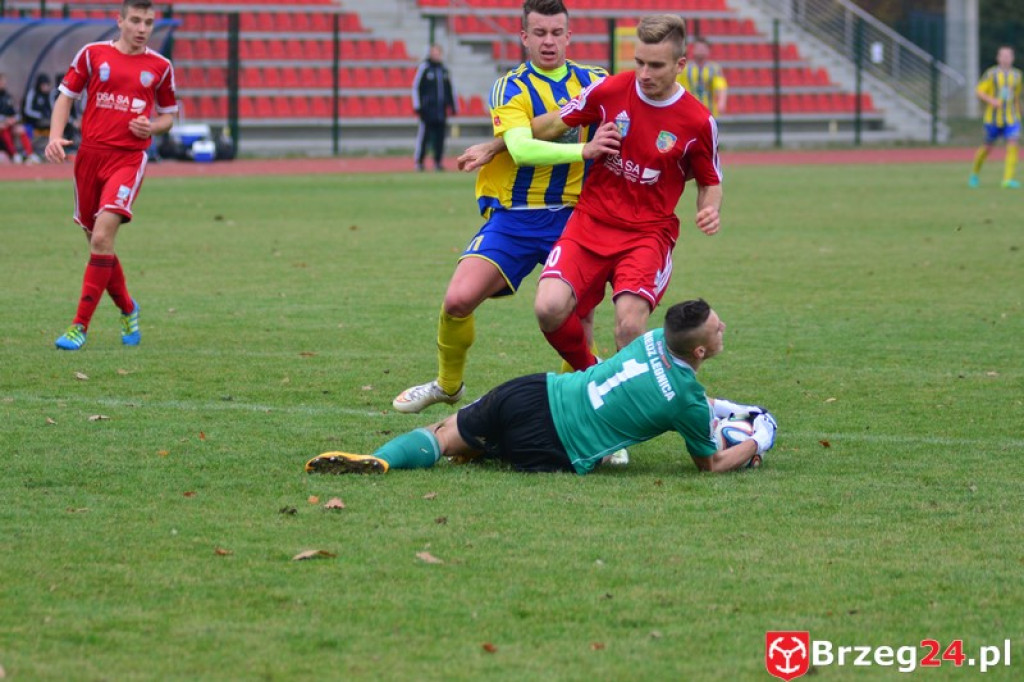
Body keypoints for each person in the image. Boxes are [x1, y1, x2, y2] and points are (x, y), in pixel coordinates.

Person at [392, 0, 616, 414]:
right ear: (524, 38)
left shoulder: (597, 82)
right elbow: (523, 148)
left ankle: (584, 414)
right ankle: (447, 384)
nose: (548, 42)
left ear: (569, 36)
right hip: (515, 216)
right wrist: (583, 149)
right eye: (539, 33)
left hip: (575, 216)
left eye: (556, 33)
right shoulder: (509, 86)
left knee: (578, 316)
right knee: (457, 300)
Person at [307, 299, 777, 476]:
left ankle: (385, 458)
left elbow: (677, 391)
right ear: (698, 353)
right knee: (491, 449)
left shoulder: (653, 338)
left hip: (536, 391)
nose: (723, 329)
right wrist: (759, 436)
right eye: (717, 329)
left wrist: (729, 405)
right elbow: (711, 462)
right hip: (555, 444)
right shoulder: (686, 401)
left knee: (443, 431)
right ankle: (480, 448)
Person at [46, 0, 178, 350]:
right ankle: (128, 308)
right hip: (89, 158)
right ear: (119, 21)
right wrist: (55, 136)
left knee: (103, 237)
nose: (142, 28)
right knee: (97, 242)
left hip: (128, 160)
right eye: (135, 20)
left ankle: (79, 327)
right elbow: (65, 97)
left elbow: (168, 116)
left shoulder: (161, 66)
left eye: (148, 22)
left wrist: (152, 126)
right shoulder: (91, 54)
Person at [969, 45, 1022, 189]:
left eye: (1008, 56)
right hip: (993, 119)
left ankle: (1007, 179)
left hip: (1011, 118)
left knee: (1013, 145)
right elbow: (979, 92)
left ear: (1012, 58)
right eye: (1003, 56)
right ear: (998, 58)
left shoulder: (1017, 76)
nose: (1006, 58)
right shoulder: (991, 74)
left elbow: (1016, 96)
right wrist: (992, 101)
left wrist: (1019, 113)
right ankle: (974, 174)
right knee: (987, 148)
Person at [412, 44, 457, 172]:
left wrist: (452, 105)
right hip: (427, 111)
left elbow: (450, 89)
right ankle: (419, 162)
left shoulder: (444, 70)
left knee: (440, 138)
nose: (436, 55)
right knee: (424, 138)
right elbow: (416, 87)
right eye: (434, 52)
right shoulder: (425, 68)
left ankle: (438, 162)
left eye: (438, 52)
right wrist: (418, 106)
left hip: (441, 111)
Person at [677, 37, 727, 117]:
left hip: (709, 112)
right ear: (693, 50)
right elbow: (676, 85)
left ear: (708, 50)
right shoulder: (685, 68)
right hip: (689, 112)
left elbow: (721, 86)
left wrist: (722, 102)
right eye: (698, 48)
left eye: (703, 48)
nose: (701, 50)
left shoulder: (714, 68)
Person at [0, 72, 40, 164]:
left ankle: (30, 154)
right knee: (4, 129)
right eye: (1, 81)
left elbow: (16, 113)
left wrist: (14, 120)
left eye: (3, 81)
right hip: (2, 126)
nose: (3, 83)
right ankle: (14, 155)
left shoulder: (8, 97)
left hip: (9, 125)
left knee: (21, 129)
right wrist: (4, 121)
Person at [22, 73, 54, 154]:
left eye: (47, 85)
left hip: (46, 120)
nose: (46, 87)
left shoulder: (49, 95)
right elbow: (27, 110)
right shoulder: (32, 93)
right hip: (33, 121)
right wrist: (39, 115)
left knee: (56, 125)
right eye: (44, 85)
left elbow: (52, 108)